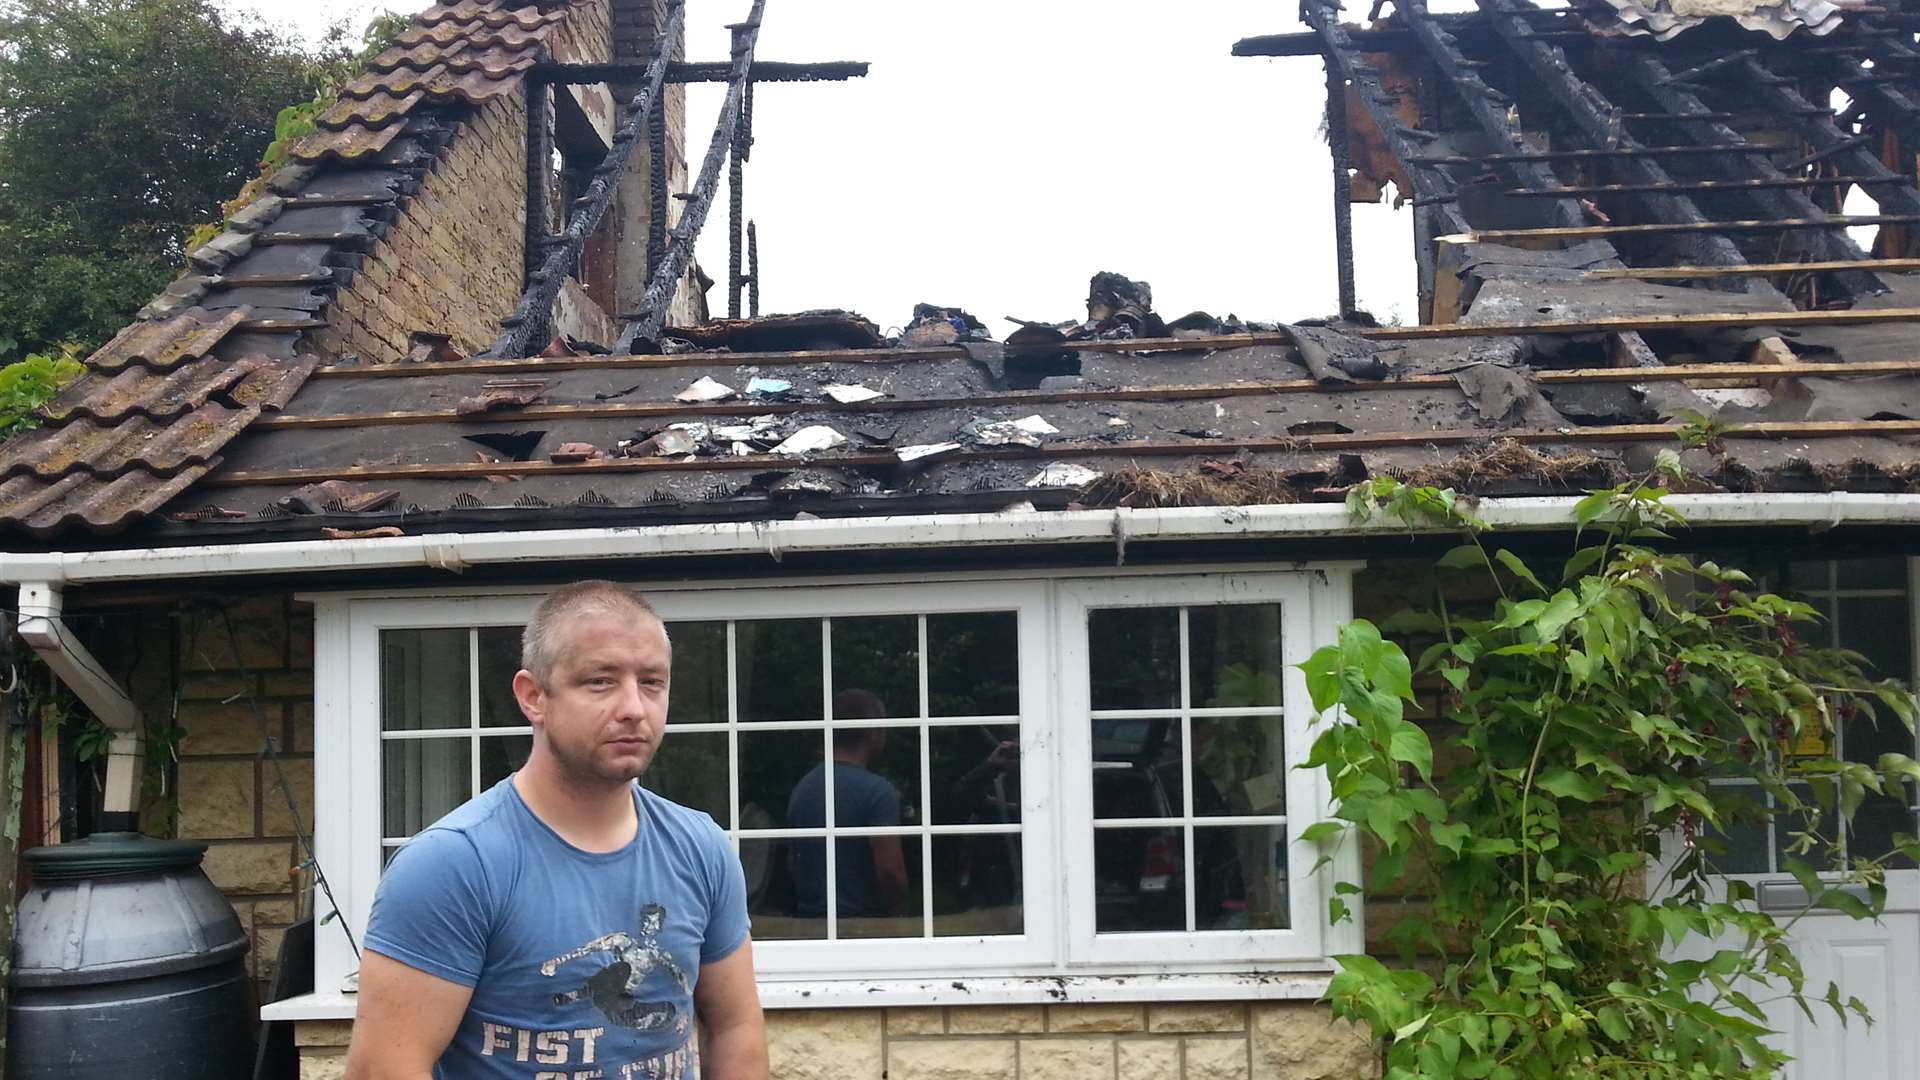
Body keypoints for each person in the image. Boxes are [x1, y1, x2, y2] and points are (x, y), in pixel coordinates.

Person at [345, 581, 767, 1080]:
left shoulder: (701, 849)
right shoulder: (453, 865)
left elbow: (735, 1026)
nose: (634, 707)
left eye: (652, 682)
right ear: (533, 697)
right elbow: (384, 1069)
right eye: (600, 681)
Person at [785, 689, 908, 919]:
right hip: (865, 928)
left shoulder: (802, 789)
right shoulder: (878, 792)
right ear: (874, 733)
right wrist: (899, 917)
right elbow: (890, 872)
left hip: (809, 926)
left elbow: (793, 863)